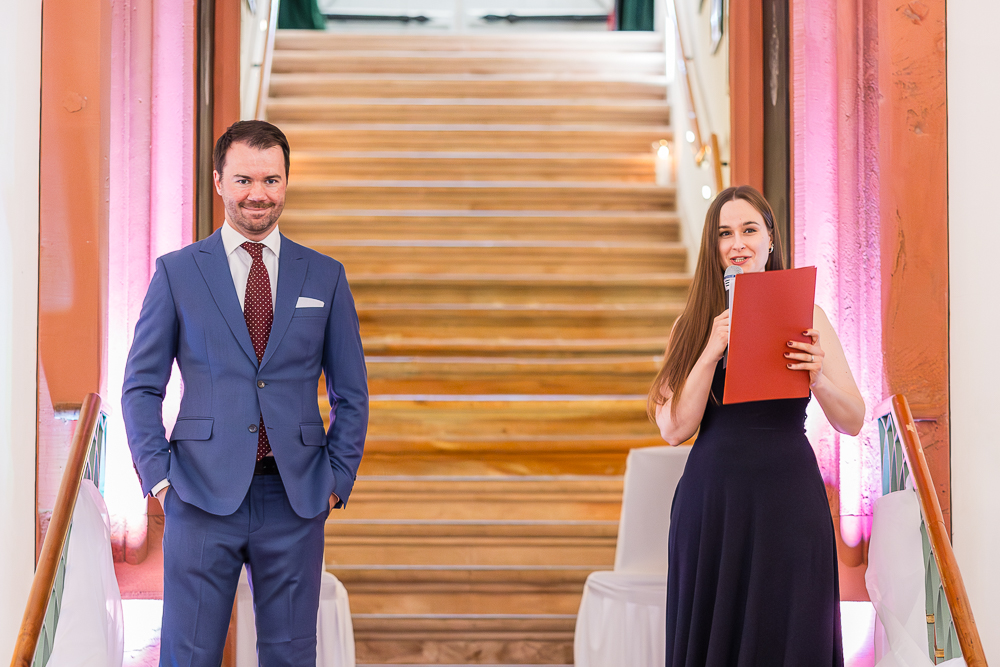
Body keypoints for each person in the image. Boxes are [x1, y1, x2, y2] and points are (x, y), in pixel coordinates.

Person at [122, 120, 368, 665]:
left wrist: (336, 479)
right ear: (218, 181)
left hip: (296, 497)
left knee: (291, 655)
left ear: (285, 182)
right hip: (199, 494)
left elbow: (352, 393)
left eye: (270, 180)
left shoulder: (325, 276)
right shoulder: (178, 273)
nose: (258, 193)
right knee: (188, 654)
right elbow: (141, 386)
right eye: (243, 180)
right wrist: (161, 480)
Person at [649, 185, 864, 666]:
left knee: (790, 629)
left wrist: (818, 376)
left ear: (770, 239)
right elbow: (673, 428)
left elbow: (852, 419)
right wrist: (710, 348)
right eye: (725, 233)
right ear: (714, 247)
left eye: (749, 229)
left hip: (787, 500)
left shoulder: (809, 316)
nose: (738, 243)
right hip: (714, 502)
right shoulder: (690, 327)